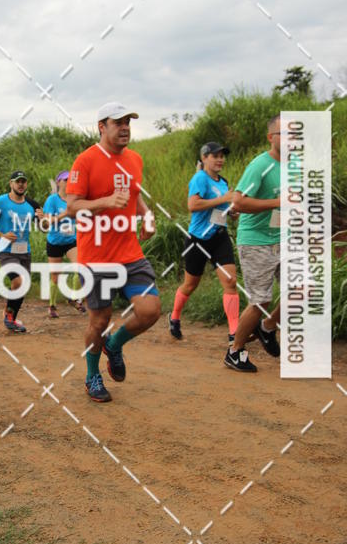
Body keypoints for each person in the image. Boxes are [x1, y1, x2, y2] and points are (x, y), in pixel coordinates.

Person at [67, 102, 160, 402]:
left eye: (128, 123)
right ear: (101, 127)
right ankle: (92, 374)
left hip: (130, 253)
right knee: (99, 320)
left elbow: (134, 195)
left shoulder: (135, 159)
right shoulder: (86, 160)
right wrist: (104, 202)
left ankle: (115, 344)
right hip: (96, 257)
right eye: (117, 122)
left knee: (150, 310)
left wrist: (146, 214)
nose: (124, 128)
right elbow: (72, 205)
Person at [224, 115, 282, 372]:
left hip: (284, 238)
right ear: (271, 138)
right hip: (255, 241)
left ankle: (267, 328)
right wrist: (277, 204)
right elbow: (238, 203)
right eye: (285, 134)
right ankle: (234, 351)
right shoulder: (260, 165)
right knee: (260, 300)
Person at [169, 142, 240, 345]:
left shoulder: (223, 182)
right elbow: (193, 205)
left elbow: (226, 208)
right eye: (215, 156)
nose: (220, 160)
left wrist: (233, 211)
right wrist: (224, 199)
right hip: (198, 240)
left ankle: (234, 333)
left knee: (230, 282)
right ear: (204, 158)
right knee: (191, 284)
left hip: (219, 236)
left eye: (222, 156)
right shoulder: (200, 178)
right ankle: (174, 317)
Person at [0, 171, 42, 333]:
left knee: (23, 285)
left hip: (24, 250)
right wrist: (2, 235)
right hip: (6, 250)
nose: (21, 184)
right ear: (11, 184)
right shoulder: (0, 202)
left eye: (23, 182)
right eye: (17, 181)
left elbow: (44, 228)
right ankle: (9, 317)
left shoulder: (32, 204)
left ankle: (10, 316)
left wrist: (43, 219)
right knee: (18, 281)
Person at [42, 171, 85, 317]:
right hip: (54, 241)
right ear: (59, 182)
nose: (68, 182)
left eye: (70, 180)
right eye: (65, 179)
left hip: (70, 241)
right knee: (55, 275)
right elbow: (47, 221)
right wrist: (65, 213)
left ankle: (74, 299)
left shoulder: (74, 200)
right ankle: (52, 306)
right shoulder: (52, 200)